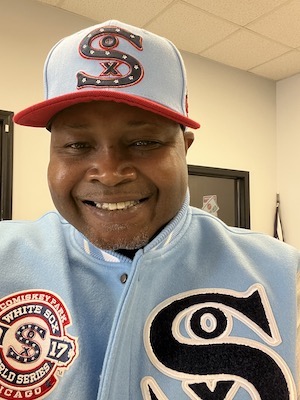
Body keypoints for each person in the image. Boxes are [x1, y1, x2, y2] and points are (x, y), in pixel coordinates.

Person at [0, 19, 298, 400]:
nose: (108, 174)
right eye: (76, 145)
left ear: (184, 148)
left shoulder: (284, 276)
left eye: (143, 141)